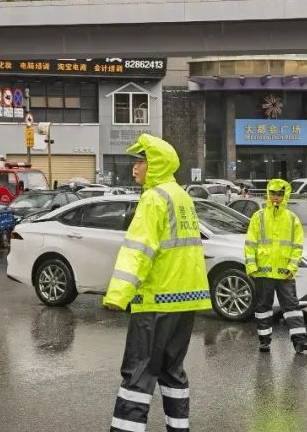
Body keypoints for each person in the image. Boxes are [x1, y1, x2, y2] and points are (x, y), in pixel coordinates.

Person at [104, 134, 210, 432]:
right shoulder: (182, 197)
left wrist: (118, 295)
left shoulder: (153, 198)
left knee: (138, 373)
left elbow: (138, 250)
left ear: (157, 164)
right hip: (184, 302)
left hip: (156, 301)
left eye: (141, 161)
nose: (135, 167)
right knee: (172, 371)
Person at [245, 178, 307, 355]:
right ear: (268, 194)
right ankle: (264, 341)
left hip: (285, 273)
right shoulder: (258, 217)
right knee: (264, 307)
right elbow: (250, 243)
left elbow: (297, 247)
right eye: (273, 193)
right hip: (263, 272)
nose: (276, 197)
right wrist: (251, 266)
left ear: (284, 196)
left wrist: (292, 267)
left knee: (292, 307)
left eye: (279, 194)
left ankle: (300, 342)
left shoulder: (292, 219)